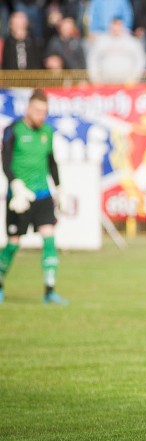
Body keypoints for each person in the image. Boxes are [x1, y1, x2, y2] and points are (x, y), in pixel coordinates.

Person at [1, 89, 67, 305]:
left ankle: (50, 290)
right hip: (20, 196)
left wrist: (59, 189)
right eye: (38, 111)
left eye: (45, 112)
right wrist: (15, 185)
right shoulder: (14, 130)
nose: (41, 116)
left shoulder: (47, 132)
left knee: (49, 238)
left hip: (42, 195)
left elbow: (52, 162)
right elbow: (6, 160)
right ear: (28, 109)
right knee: (13, 244)